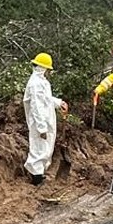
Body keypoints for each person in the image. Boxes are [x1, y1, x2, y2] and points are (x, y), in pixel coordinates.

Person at [23, 52, 68, 185]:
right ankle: (35, 177)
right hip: (40, 122)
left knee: (44, 148)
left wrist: (59, 103)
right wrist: (41, 127)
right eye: (49, 69)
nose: (50, 72)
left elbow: (46, 100)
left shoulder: (41, 82)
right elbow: (36, 106)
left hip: (45, 120)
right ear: (44, 68)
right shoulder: (36, 84)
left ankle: (38, 173)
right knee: (38, 148)